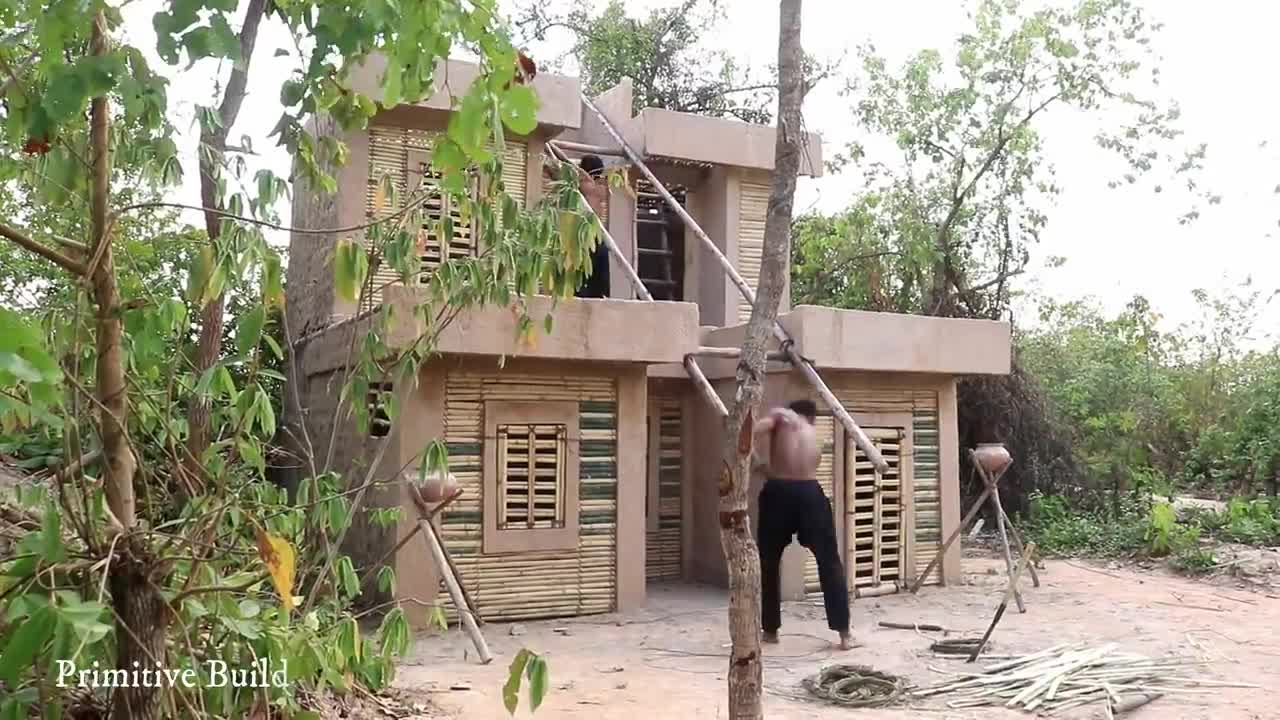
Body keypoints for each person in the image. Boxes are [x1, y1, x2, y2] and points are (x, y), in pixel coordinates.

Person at [753, 399, 853, 650]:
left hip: (778, 491)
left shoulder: (780, 416)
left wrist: (757, 462)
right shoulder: (809, 430)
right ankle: (845, 635)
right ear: (812, 417)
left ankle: (770, 630)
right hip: (809, 492)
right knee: (829, 562)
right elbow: (812, 462)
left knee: (768, 562)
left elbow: (751, 431)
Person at [542, 153, 611, 298]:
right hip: (593, 235)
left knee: (579, 272)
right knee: (596, 276)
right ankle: (601, 296)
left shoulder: (582, 185)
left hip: (582, 235)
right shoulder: (601, 189)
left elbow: (554, 170)